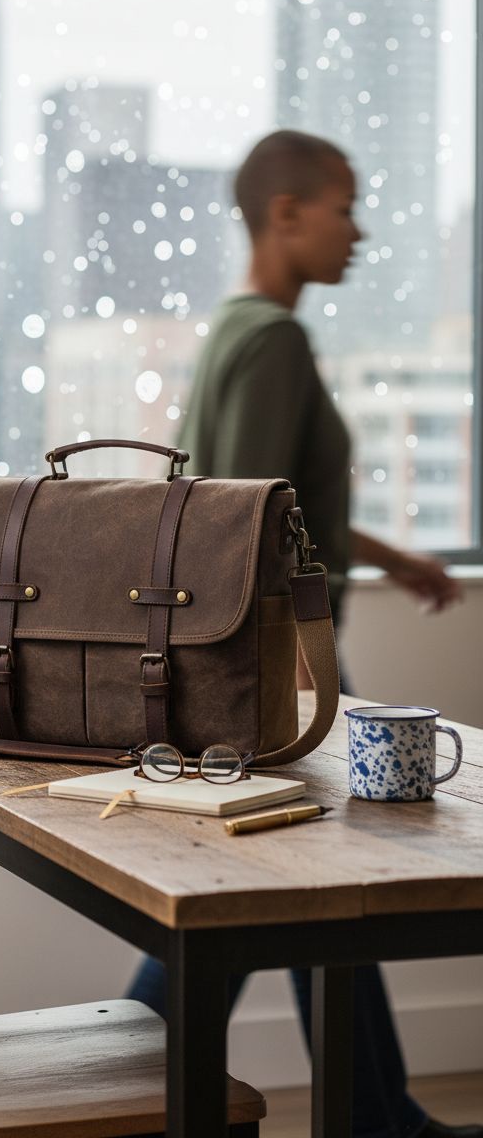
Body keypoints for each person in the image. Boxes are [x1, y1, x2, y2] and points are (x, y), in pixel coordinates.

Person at [127, 129, 473, 1138]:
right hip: (280, 663)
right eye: (344, 205)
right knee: (303, 894)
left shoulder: (238, 330)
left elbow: (257, 499)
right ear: (285, 214)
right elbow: (248, 522)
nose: (357, 230)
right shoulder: (273, 339)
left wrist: (390, 558)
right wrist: (292, 688)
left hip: (260, 657)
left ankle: (371, 1109)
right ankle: (124, 1084)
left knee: (302, 894)